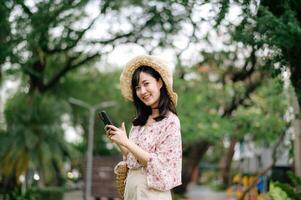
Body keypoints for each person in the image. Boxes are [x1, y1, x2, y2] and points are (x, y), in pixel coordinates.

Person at [105, 55, 182, 200]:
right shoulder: (139, 122)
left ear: (159, 82)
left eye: (146, 84)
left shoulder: (170, 121)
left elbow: (160, 164)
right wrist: (121, 142)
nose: (142, 91)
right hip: (132, 191)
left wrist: (127, 142)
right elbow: (133, 159)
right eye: (138, 88)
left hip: (152, 193)